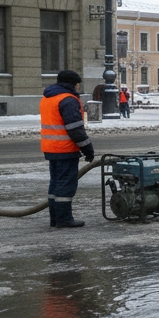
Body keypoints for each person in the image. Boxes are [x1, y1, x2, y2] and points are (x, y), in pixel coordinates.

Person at [40, 70, 95, 228]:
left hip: (51, 148)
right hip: (65, 148)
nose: (78, 87)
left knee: (55, 183)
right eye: (78, 84)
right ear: (73, 84)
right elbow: (75, 129)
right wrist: (88, 150)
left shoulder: (48, 98)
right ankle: (64, 219)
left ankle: (55, 218)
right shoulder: (68, 99)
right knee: (65, 184)